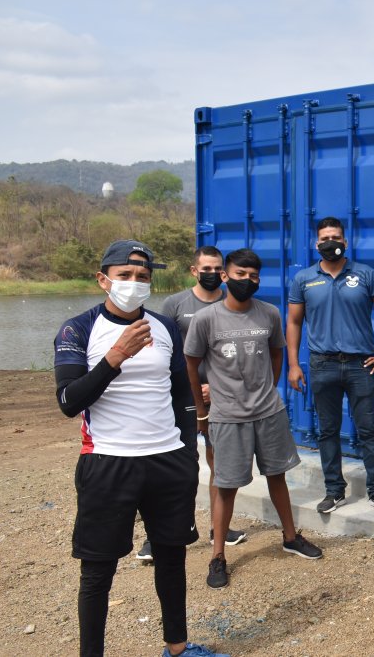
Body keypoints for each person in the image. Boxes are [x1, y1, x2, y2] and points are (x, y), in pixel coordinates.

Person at [53, 239, 226, 657]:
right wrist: (115, 357)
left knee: (172, 558)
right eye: (125, 276)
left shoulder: (165, 327)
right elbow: (68, 401)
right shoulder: (77, 330)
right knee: (98, 571)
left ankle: (178, 648)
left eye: (143, 277)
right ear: (103, 280)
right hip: (109, 461)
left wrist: (187, 454)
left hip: (167, 462)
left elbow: (182, 393)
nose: (134, 284)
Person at [187, 248, 323, 589]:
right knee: (226, 486)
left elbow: (277, 354)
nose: (247, 281)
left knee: (277, 476)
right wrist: (201, 410)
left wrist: (268, 389)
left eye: (253, 276)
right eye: (239, 275)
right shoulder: (206, 319)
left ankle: (290, 537)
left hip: (268, 412)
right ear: (224, 276)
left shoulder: (270, 314)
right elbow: (191, 363)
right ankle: (218, 555)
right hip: (227, 417)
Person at [137, 246, 246, 563]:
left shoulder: (232, 304)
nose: (212, 273)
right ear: (193, 270)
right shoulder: (175, 304)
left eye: (217, 268)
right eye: (206, 268)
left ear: (223, 272)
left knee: (219, 466)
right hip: (181, 397)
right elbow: (159, 349)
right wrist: (188, 386)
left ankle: (219, 529)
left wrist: (217, 385)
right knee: (176, 467)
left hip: (220, 397)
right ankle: (158, 536)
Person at [287, 216, 374, 515]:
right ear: (316, 244)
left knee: (369, 429)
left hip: (360, 365)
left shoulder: (365, 274)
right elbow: (294, 322)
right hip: (321, 364)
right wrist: (293, 365)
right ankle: (334, 490)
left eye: (335, 237)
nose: (330, 243)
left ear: (345, 242)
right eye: (324, 239)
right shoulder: (304, 279)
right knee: (328, 430)